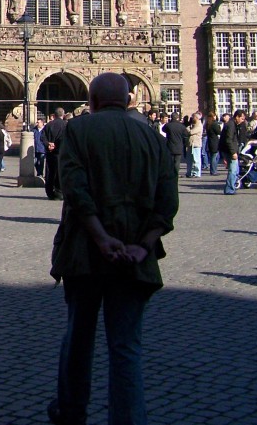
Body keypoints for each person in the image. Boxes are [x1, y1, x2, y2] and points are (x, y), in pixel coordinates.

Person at [47, 73, 178, 425]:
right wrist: (144, 245)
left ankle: (72, 412)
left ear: (91, 100)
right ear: (130, 99)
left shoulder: (78, 130)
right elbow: (167, 202)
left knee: (79, 337)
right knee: (126, 347)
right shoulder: (152, 136)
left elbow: (74, 190)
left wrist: (102, 238)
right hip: (136, 254)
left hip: (85, 252)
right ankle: (128, 419)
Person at [42, 108, 67, 200]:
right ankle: (59, 191)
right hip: (61, 153)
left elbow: (42, 137)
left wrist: (48, 144)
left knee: (50, 173)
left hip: (50, 153)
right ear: (63, 115)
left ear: (54, 115)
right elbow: (65, 139)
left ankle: (50, 192)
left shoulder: (48, 125)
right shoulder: (66, 125)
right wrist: (56, 145)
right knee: (60, 172)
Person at [220, 110, 246, 195]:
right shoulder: (231, 125)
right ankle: (229, 189)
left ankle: (231, 187)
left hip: (229, 150)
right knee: (233, 170)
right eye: (242, 118)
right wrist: (233, 152)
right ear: (237, 117)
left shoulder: (232, 124)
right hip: (230, 151)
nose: (242, 120)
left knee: (235, 170)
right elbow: (228, 140)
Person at [184, 113, 204, 178]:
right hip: (190, 144)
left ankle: (197, 173)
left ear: (197, 118)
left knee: (196, 159)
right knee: (189, 160)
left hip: (196, 144)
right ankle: (189, 172)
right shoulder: (193, 125)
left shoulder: (199, 125)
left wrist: (188, 129)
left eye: (193, 117)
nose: (192, 118)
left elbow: (191, 132)